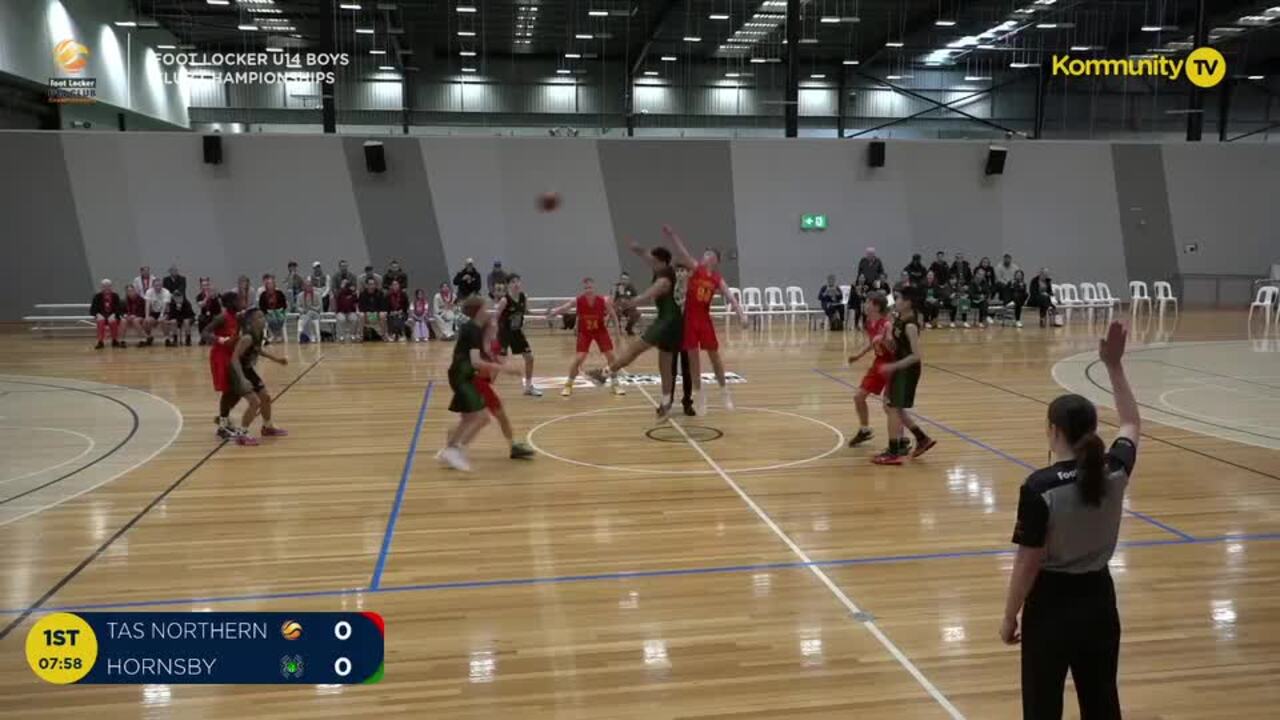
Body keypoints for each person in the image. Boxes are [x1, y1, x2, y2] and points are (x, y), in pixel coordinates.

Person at [1003, 321, 1139, 720]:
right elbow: (1131, 423)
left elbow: (1028, 563)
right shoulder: (1115, 470)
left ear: (1053, 430)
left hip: (1050, 607)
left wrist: (1010, 614)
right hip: (1099, 600)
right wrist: (1113, 366)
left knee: (1042, 706)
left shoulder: (1039, 487)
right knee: (1101, 701)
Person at [588, 241, 682, 417]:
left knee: (635, 348)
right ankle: (666, 401)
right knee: (665, 366)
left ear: (662, 262)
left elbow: (649, 295)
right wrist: (638, 250)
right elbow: (648, 257)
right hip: (672, 321)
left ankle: (604, 373)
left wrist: (631, 302)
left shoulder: (664, 279)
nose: (651, 264)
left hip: (668, 322)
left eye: (654, 262)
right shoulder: (662, 268)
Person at [663, 224, 748, 415]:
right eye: (705, 253)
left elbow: (731, 297)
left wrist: (741, 314)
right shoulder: (696, 268)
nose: (705, 255)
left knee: (715, 357)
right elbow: (682, 252)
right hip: (690, 319)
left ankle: (724, 391)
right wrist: (673, 235)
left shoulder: (717, 278)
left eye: (709, 254)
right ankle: (699, 394)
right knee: (694, 360)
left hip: (704, 319)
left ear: (715, 260)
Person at [437, 296, 524, 471]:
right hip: (467, 377)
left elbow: (492, 356)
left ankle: (449, 449)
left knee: (469, 418)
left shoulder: (479, 331)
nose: (489, 313)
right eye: (485, 309)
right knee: (483, 417)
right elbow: (477, 362)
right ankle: (455, 450)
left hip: (465, 376)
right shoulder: (476, 331)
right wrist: (505, 368)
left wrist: (504, 365)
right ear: (478, 311)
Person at [871, 287, 936, 465]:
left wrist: (893, 366)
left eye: (898, 298)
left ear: (908, 303)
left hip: (907, 370)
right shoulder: (899, 320)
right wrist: (884, 340)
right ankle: (921, 438)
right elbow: (896, 348)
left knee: (892, 408)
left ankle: (894, 452)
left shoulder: (911, 325)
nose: (895, 302)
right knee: (892, 407)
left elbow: (916, 355)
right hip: (900, 368)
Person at [472, 296, 537, 459]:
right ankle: (452, 447)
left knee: (492, 416)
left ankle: (513, 445)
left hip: (482, 383)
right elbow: (476, 363)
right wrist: (502, 368)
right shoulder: (474, 338)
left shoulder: (493, 342)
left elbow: (499, 358)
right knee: (476, 419)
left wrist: (510, 368)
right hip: (473, 382)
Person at [549, 277, 624, 397]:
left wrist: (618, 333)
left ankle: (615, 384)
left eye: (590, 287)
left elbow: (614, 316)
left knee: (611, 356)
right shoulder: (578, 300)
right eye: (586, 288)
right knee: (579, 358)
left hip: (600, 331)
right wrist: (554, 311)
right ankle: (568, 385)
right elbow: (565, 307)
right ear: (583, 289)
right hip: (585, 332)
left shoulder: (602, 301)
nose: (588, 289)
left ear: (594, 288)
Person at [228, 308, 289, 447]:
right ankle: (242, 434)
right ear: (251, 322)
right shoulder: (247, 338)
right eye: (259, 317)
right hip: (237, 372)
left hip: (248, 371)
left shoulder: (259, 333)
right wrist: (242, 379)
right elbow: (234, 359)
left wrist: (277, 359)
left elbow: (258, 350)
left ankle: (267, 427)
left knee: (265, 397)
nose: (263, 319)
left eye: (263, 316)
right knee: (254, 402)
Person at [845, 293, 893, 448]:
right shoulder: (868, 322)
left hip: (892, 364)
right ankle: (864, 430)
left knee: (889, 406)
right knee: (859, 397)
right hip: (879, 363)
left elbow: (894, 348)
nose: (865, 305)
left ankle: (899, 439)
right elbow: (872, 342)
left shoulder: (886, 324)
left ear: (877, 306)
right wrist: (858, 355)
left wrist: (885, 340)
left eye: (868, 302)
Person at [204, 290, 242, 440]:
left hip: (232, 355)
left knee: (239, 389)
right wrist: (221, 340)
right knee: (229, 389)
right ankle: (222, 426)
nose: (240, 303)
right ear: (230, 303)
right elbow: (205, 332)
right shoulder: (222, 317)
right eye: (237, 301)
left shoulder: (238, 317)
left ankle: (223, 418)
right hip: (220, 356)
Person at [498, 274, 542, 396]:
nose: (516, 284)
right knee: (499, 362)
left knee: (529, 358)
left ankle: (528, 387)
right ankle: (485, 389)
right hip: (504, 333)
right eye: (513, 282)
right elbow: (495, 317)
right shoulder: (504, 300)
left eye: (518, 281)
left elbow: (526, 311)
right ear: (508, 285)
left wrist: (541, 315)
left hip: (517, 331)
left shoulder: (523, 297)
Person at [90, 279, 123, 349]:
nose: (106, 288)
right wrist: (97, 314)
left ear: (111, 287)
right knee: (100, 321)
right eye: (104, 286)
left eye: (108, 286)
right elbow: (92, 309)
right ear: (101, 287)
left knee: (113, 321)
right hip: (101, 316)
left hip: (112, 315)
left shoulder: (115, 296)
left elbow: (119, 308)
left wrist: (114, 314)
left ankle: (115, 341)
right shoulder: (97, 296)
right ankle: (100, 342)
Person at [258, 274, 289, 343]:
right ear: (266, 285)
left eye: (272, 284)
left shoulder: (279, 293)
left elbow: (284, 304)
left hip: (279, 311)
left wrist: (280, 309)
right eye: (269, 284)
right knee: (271, 319)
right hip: (268, 312)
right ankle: (275, 335)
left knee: (279, 318)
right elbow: (261, 306)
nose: (270, 285)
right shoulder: (263, 294)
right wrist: (267, 311)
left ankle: (277, 335)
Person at [143, 277, 172, 347]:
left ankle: (167, 339)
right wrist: (146, 316)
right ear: (153, 286)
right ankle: (149, 337)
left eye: (160, 285)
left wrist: (161, 316)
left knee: (163, 321)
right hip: (154, 312)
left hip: (164, 312)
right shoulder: (149, 292)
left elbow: (165, 306)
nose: (158, 287)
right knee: (146, 321)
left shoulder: (166, 292)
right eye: (156, 285)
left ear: (162, 285)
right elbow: (147, 305)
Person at [357, 276, 386, 341]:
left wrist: (376, 312)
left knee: (382, 315)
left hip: (377, 314)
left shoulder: (380, 293)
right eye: (370, 284)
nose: (372, 286)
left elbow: (382, 306)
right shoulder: (362, 294)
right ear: (366, 285)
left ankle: (383, 335)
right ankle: (361, 336)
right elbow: (361, 306)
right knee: (361, 315)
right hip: (366, 315)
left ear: (375, 285)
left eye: (373, 284)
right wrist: (367, 312)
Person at [296, 277, 323, 344]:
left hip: (315, 314)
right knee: (306, 317)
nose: (308, 287)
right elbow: (298, 307)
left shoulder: (317, 294)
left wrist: (312, 308)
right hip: (304, 314)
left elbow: (319, 307)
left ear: (312, 286)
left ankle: (302, 330)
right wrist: (302, 310)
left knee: (310, 313)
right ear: (304, 286)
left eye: (309, 285)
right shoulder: (300, 295)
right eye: (306, 285)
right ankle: (311, 335)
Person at [195, 277, 219, 344]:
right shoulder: (199, 296)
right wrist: (207, 297)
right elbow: (201, 305)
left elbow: (221, 303)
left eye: (207, 285)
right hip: (205, 314)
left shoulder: (215, 294)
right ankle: (203, 337)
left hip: (215, 314)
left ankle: (213, 338)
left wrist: (214, 296)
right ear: (201, 287)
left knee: (216, 319)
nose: (205, 287)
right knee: (201, 319)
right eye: (203, 286)